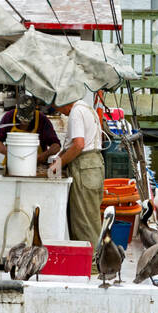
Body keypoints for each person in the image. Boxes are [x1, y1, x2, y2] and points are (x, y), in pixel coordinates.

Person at [50, 85, 105, 247]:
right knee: (91, 216)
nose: (60, 112)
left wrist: (59, 163)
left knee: (83, 220)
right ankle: (94, 260)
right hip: (95, 164)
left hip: (85, 167)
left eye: (58, 108)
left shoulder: (75, 112)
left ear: (63, 101)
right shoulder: (86, 108)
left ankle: (91, 264)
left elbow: (78, 145)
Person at [0, 92, 61, 168]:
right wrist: (11, 154)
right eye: (22, 120)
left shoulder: (42, 120)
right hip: (12, 166)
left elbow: (56, 146)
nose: (24, 123)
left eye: (27, 120)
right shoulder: (9, 117)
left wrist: (43, 156)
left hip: (37, 167)